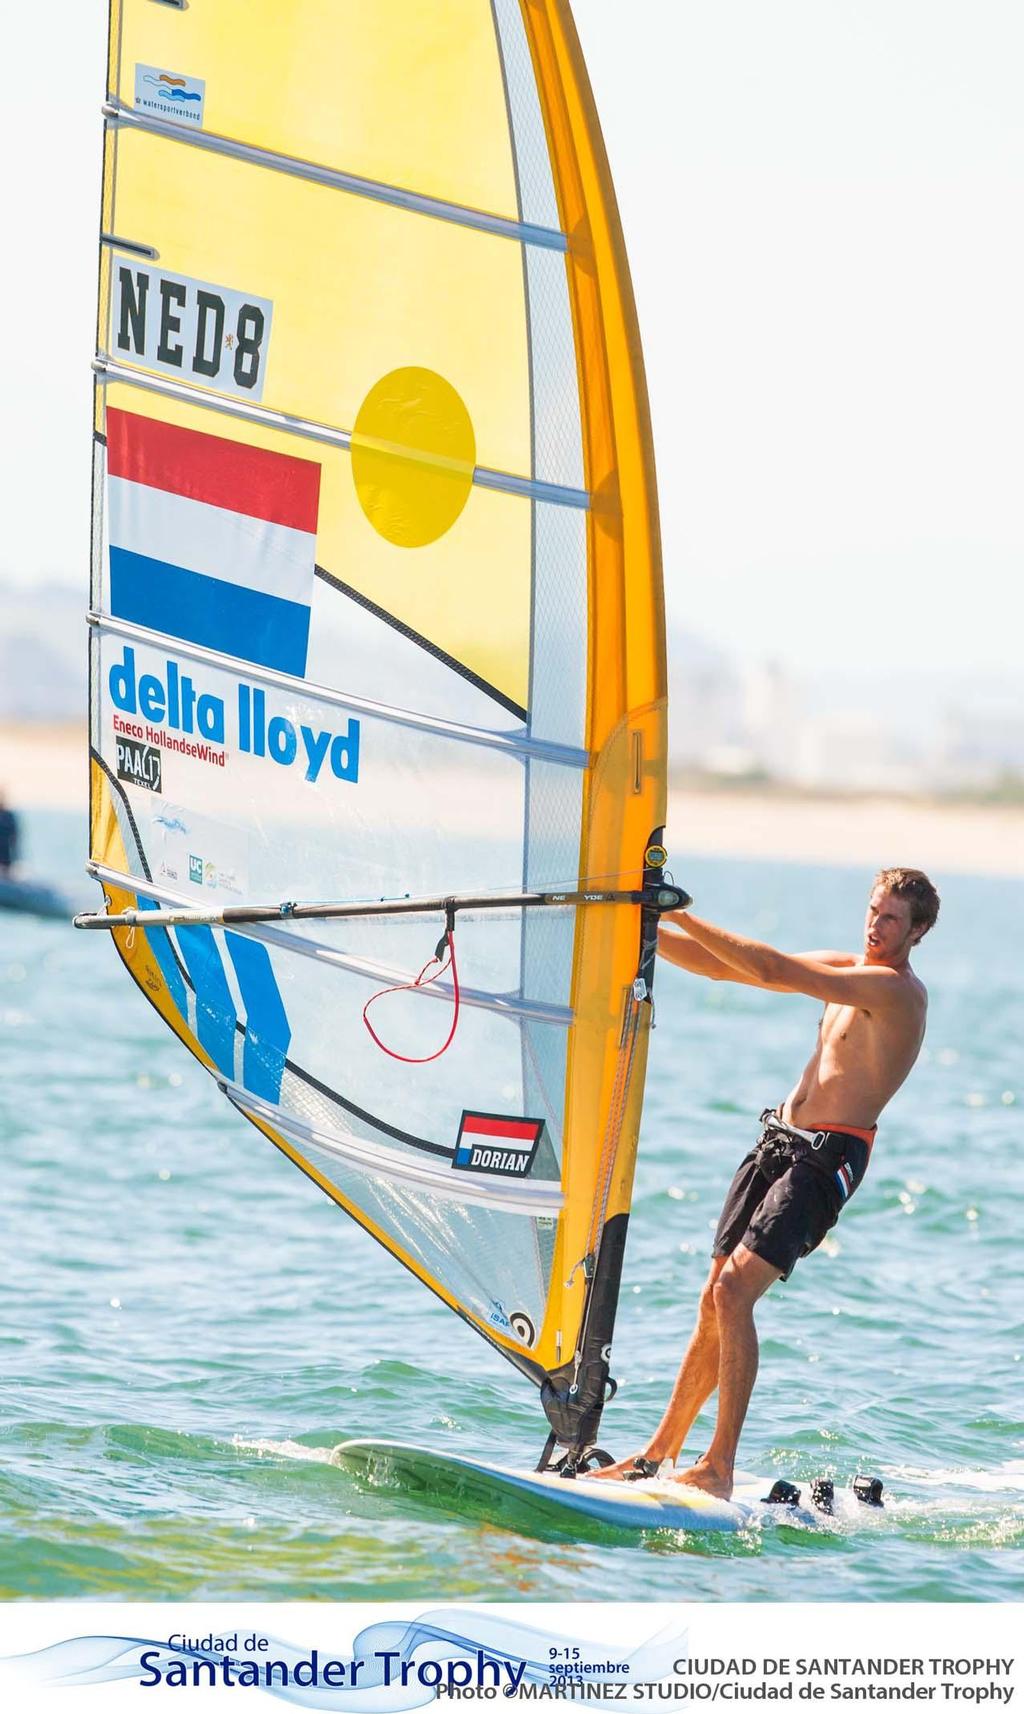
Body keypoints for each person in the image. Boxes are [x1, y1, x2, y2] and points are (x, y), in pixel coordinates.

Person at [589, 866, 940, 1499]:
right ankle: (656, 1455)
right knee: (712, 1297)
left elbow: (775, 970)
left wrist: (681, 912)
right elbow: (726, 967)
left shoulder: (895, 992)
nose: (875, 925)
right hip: (780, 1143)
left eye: (891, 919)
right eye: (872, 910)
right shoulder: (845, 970)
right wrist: (640, 925)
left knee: (733, 1293)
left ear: (918, 931)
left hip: (827, 1158)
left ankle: (719, 1465)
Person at [0, 792, 19, 874]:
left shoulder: (8, 815)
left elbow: (14, 834)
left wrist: (15, 852)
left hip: (5, 851)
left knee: (6, 872)